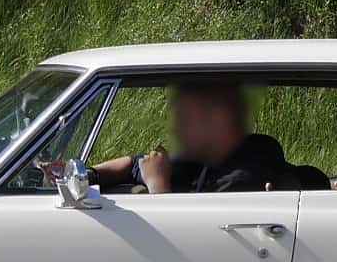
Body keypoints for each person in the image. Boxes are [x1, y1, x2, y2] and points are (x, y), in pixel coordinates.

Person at [92, 82, 289, 194]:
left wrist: (157, 183)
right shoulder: (203, 158)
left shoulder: (243, 174)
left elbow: (187, 232)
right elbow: (134, 164)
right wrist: (88, 175)